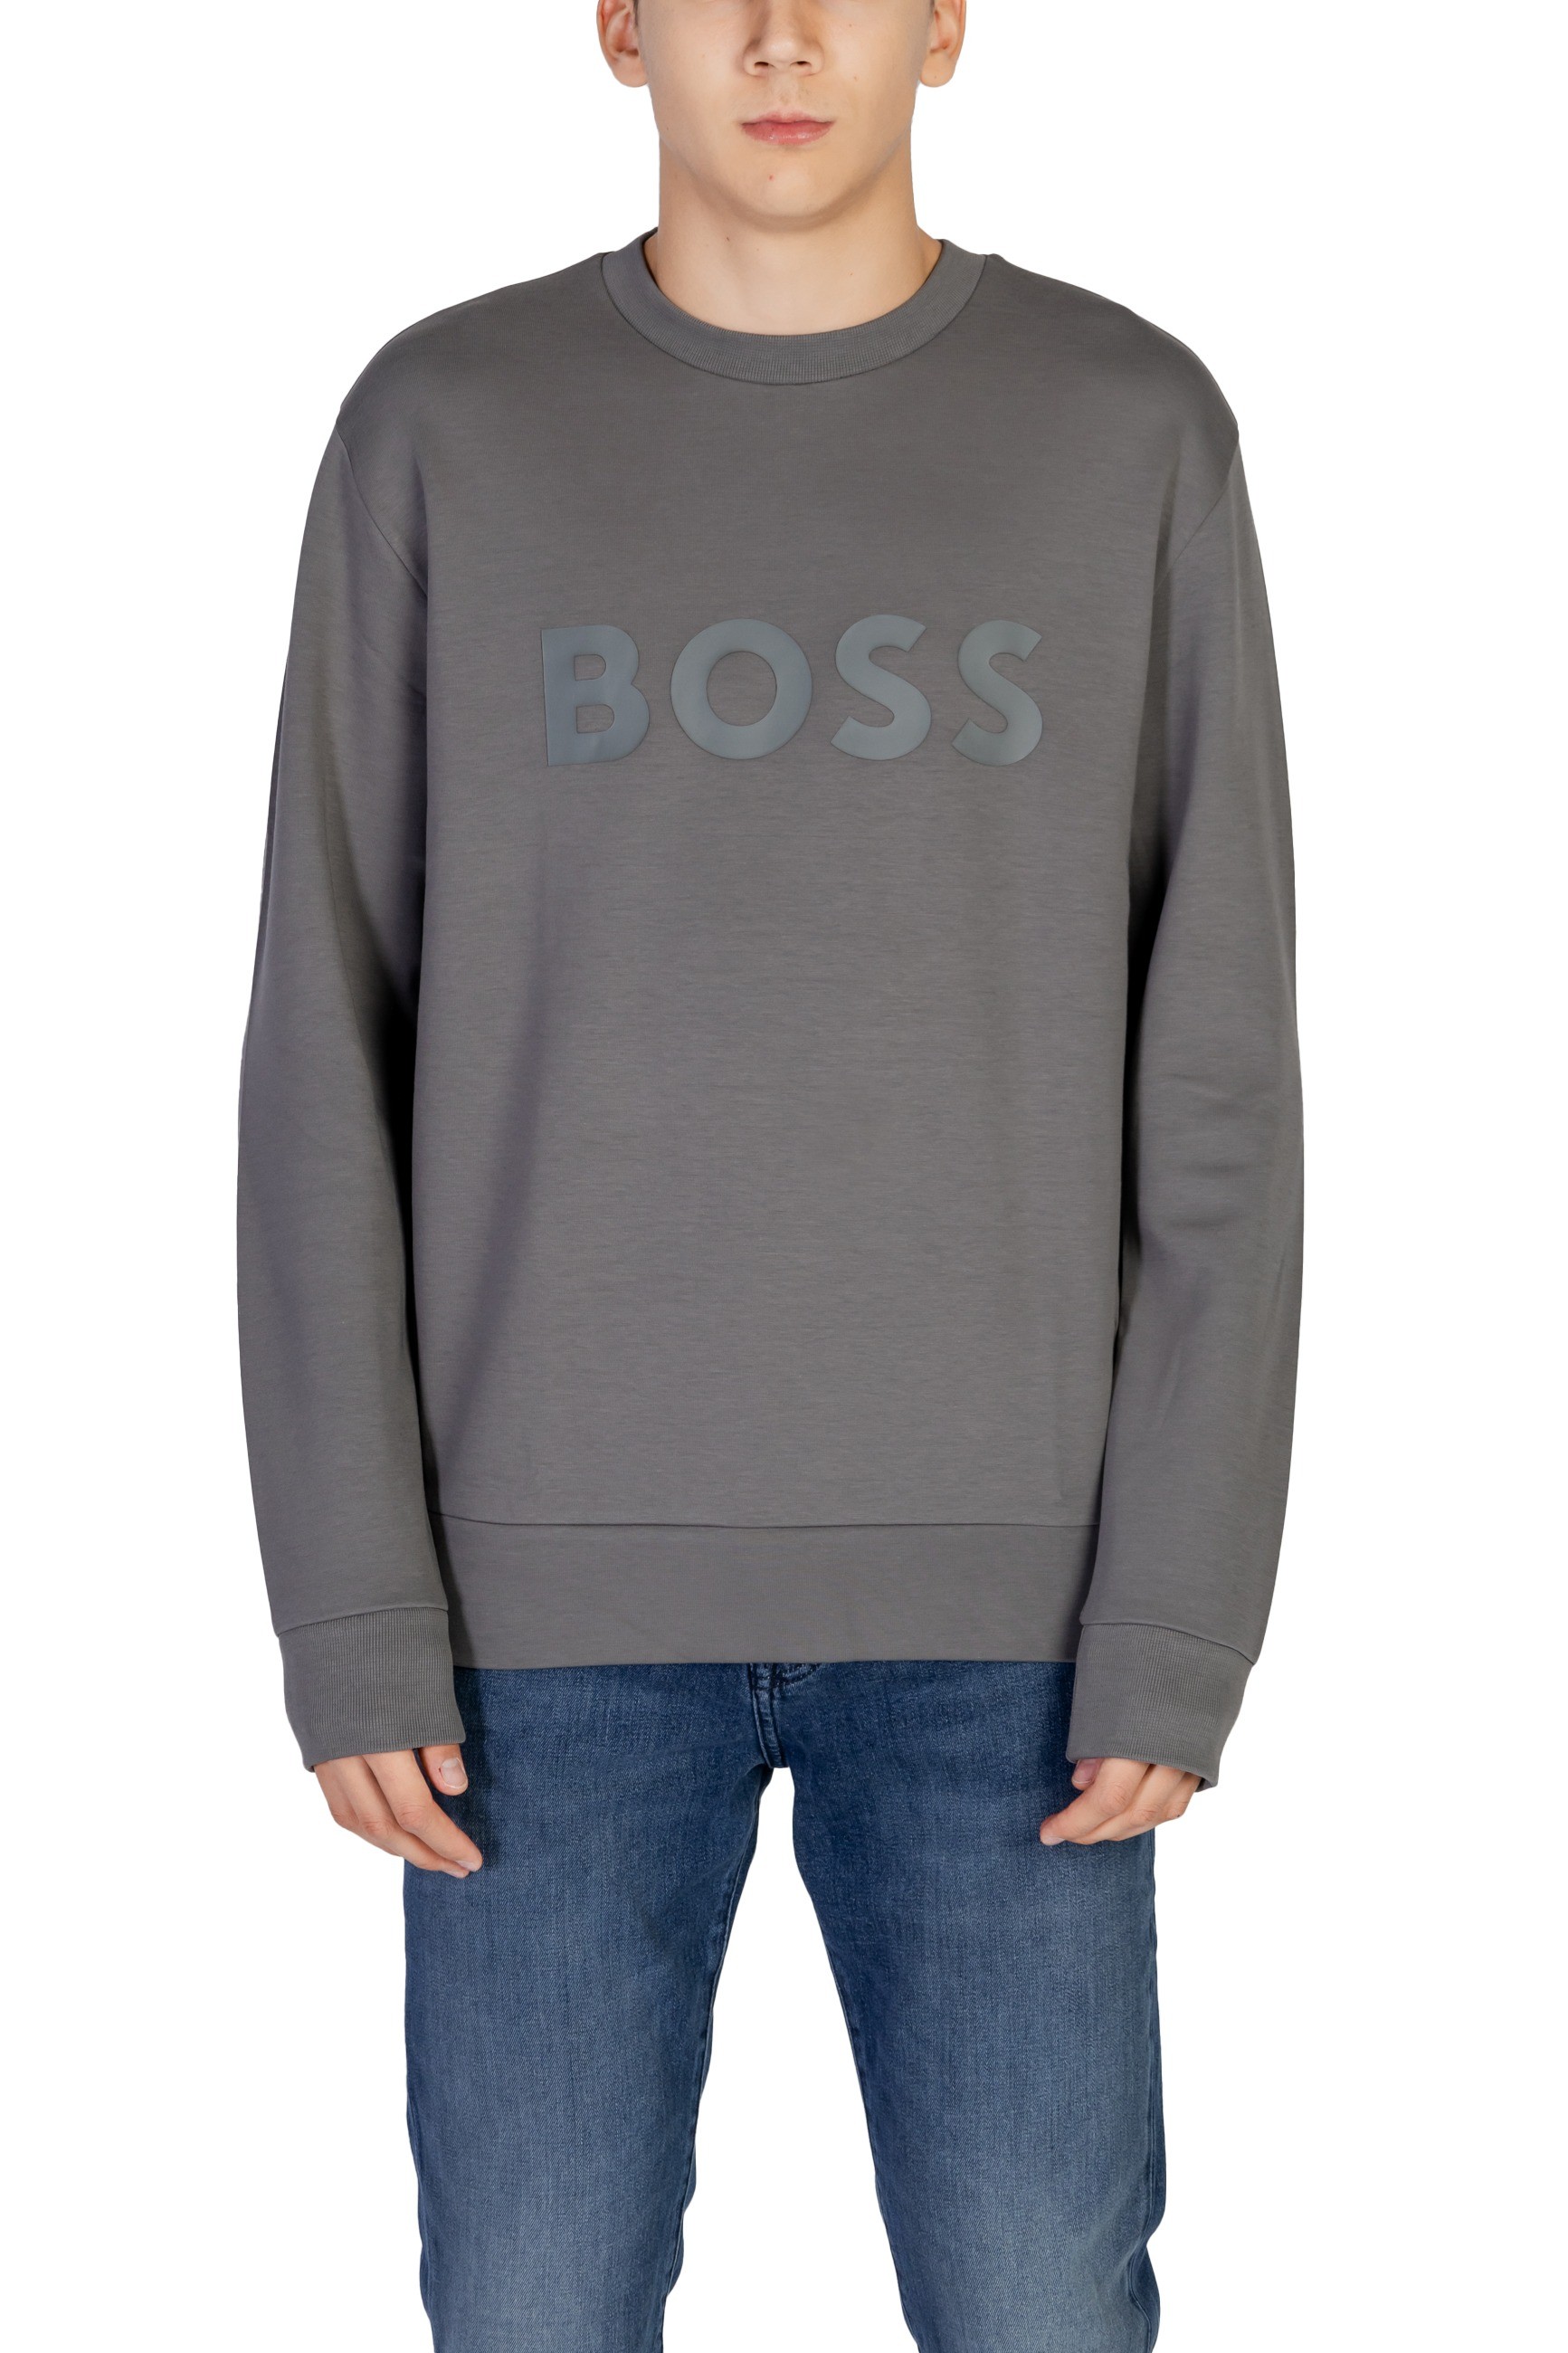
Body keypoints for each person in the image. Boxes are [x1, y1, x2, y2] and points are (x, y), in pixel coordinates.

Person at [238, 1, 1302, 2344]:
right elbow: (325, 1044)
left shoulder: (1127, 426)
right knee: (528, 2313)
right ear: (621, 27)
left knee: (1042, 2309)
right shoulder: (445, 424)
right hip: (531, 1632)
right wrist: (352, 1603)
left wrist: (1180, 1603)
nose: (787, 33)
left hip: (1019, 1625)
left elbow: (1217, 1069)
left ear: (950, 23)